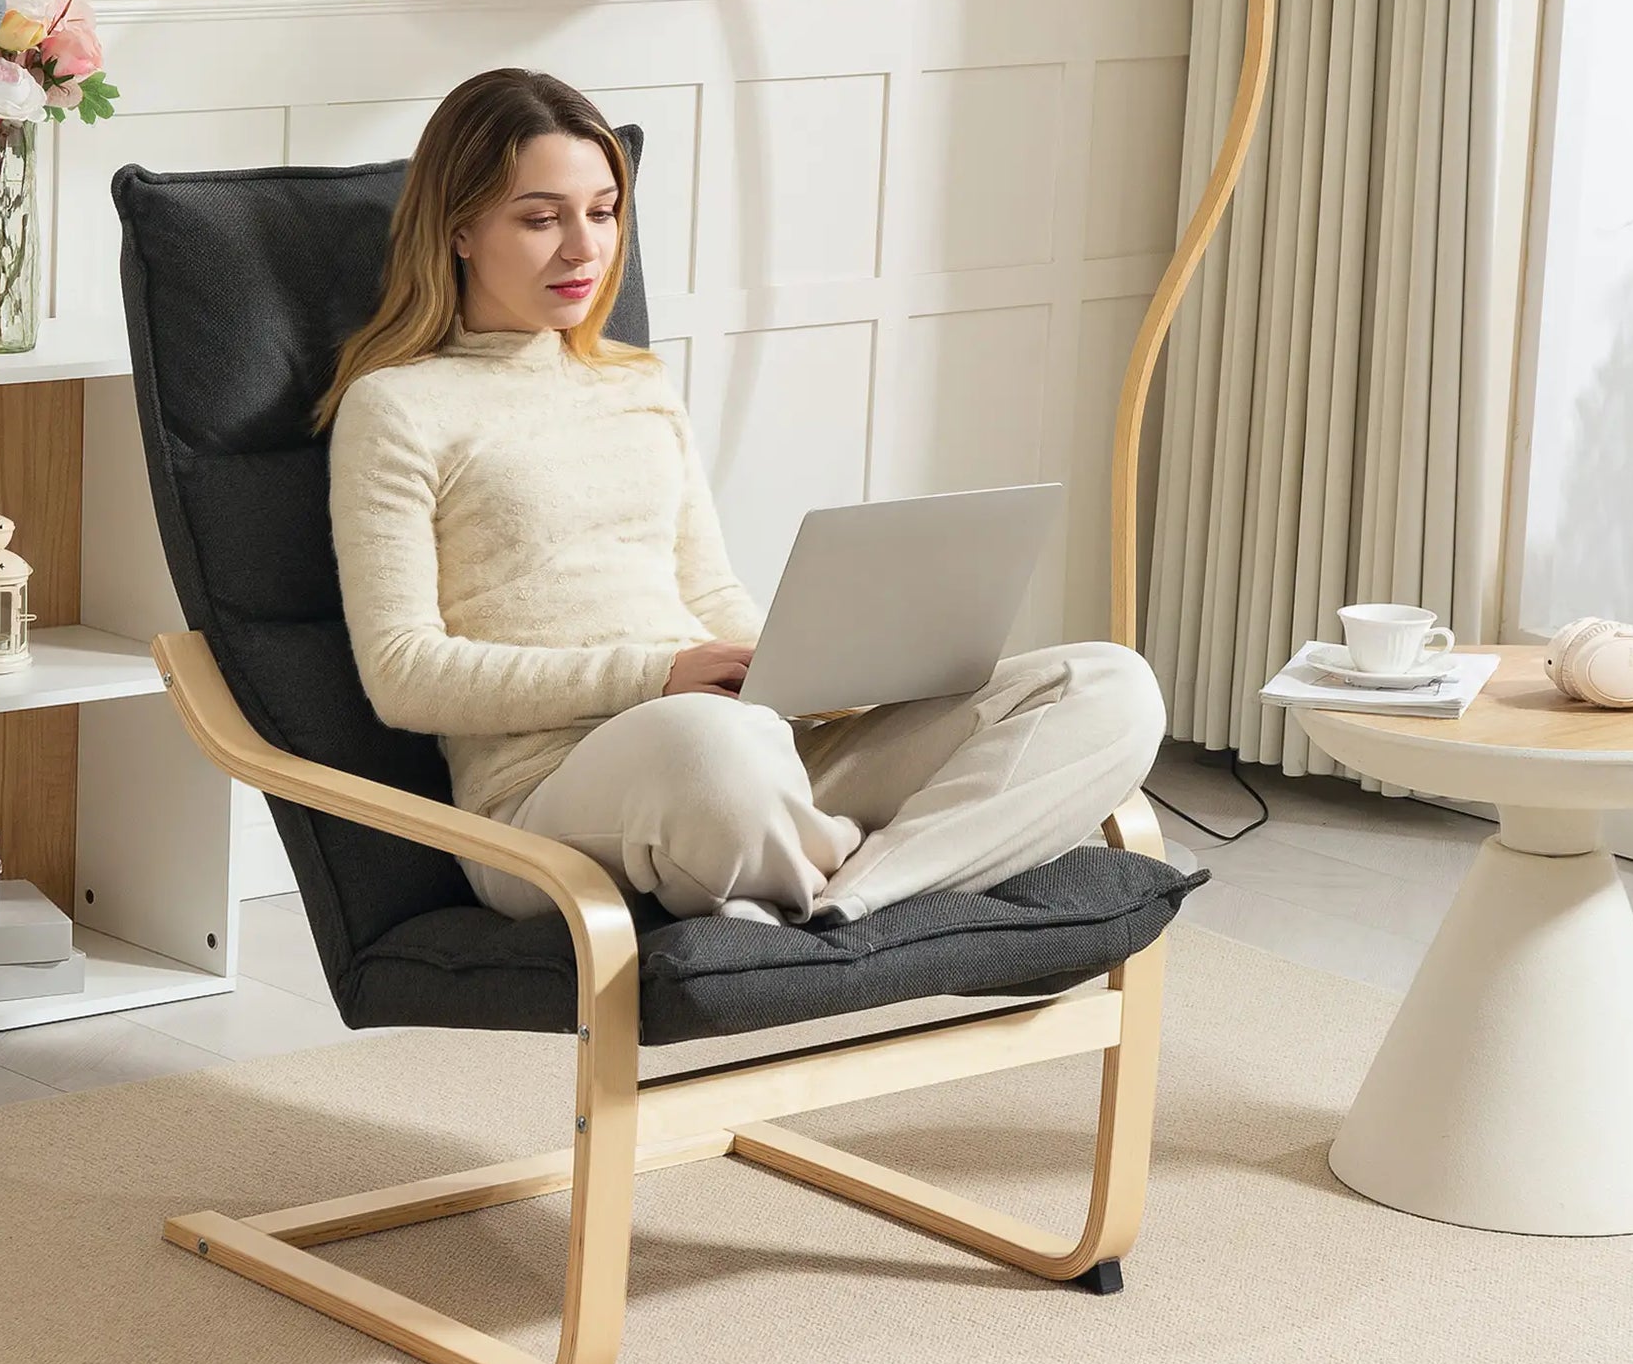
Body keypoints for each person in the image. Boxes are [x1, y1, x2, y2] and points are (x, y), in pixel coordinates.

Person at [314, 67, 1166, 927]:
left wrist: (818, 668)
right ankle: (860, 862)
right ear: (459, 230)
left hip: (748, 749)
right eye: (541, 219)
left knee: (1106, 684)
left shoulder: (634, 384)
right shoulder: (396, 407)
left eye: (604, 212)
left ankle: (856, 894)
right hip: (558, 792)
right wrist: (659, 677)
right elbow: (405, 676)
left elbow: (710, 597)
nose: (584, 248)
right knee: (715, 748)